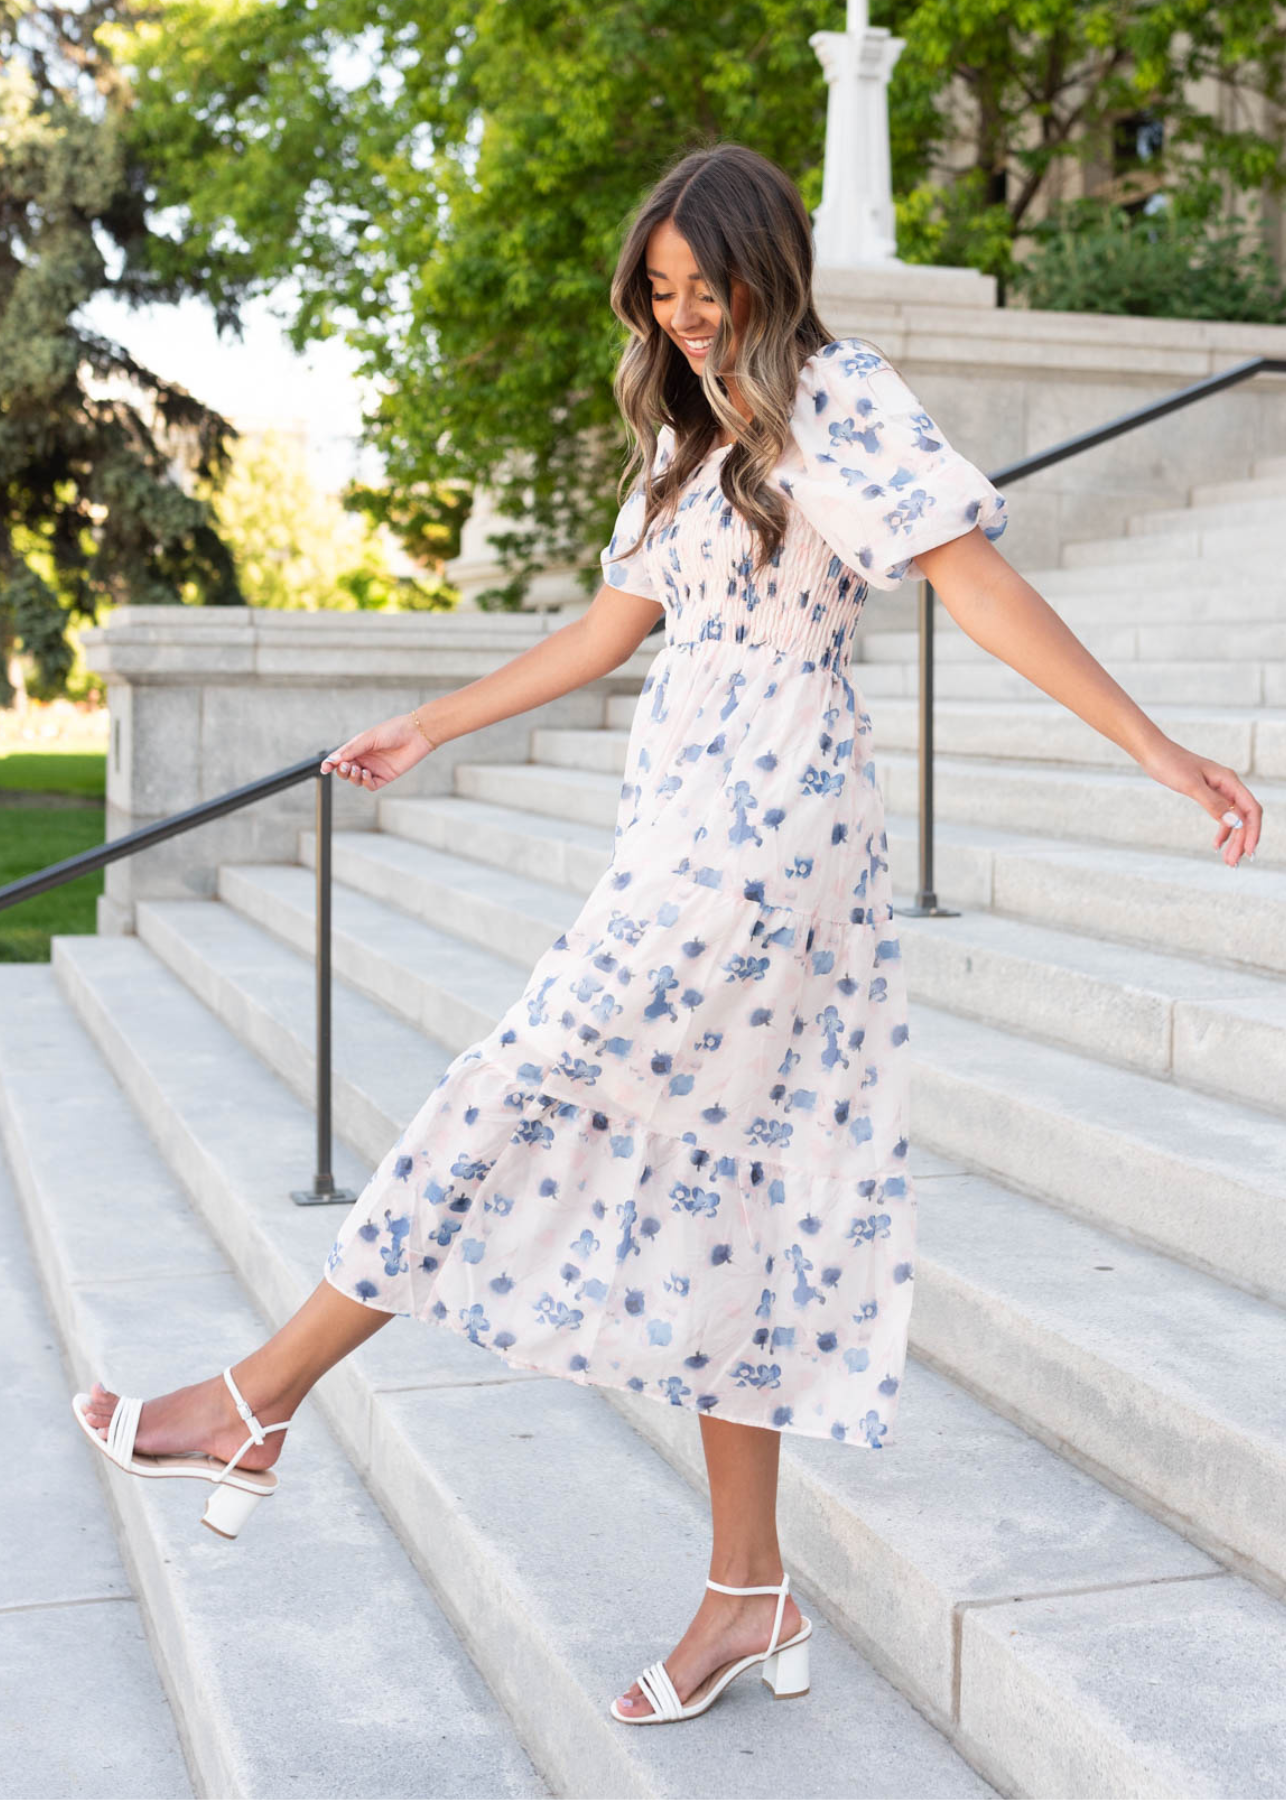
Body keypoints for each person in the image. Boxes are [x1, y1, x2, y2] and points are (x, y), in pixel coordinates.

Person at [73, 141, 1262, 1726]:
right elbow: (606, 628)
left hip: (771, 831)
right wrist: (430, 722)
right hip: (681, 820)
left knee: (524, 1077)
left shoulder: (838, 398)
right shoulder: (684, 434)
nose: (688, 321)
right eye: (664, 295)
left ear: (771, 275)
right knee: (733, 1188)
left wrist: (1154, 749)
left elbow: (975, 586)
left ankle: (253, 1397)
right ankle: (745, 1590)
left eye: (711, 292)